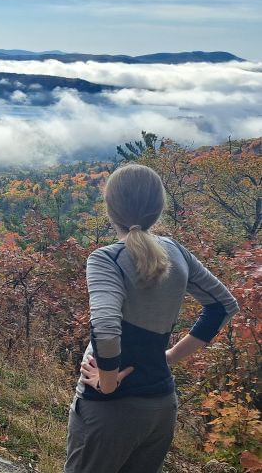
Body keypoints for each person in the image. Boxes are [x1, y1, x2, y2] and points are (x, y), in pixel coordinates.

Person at [65, 164, 239, 473]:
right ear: (158, 209)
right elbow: (223, 306)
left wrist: (107, 384)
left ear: (110, 208)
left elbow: (105, 327)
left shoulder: (107, 259)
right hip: (160, 405)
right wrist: (170, 356)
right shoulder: (176, 251)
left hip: (110, 410)